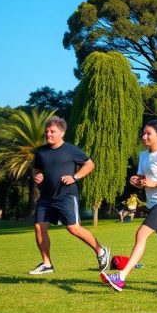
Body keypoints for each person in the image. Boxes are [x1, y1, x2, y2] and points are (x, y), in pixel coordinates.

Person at [100, 120, 157, 291]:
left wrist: (154, 184)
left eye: (149, 133)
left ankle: (121, 276)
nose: (144, 136)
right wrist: (136, 181)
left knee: (141, 234)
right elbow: (143, 179)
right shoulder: (143, 155)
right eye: (143, 133)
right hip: (153, 203)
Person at [27, 117, 110, 276]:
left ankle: (101, 251)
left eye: (53, 131)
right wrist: (37, 176)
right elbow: (36, 169)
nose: (48, 134)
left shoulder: (71, 150)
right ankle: (47, 264)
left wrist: (75, 177)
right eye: (47, 131)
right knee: (39, 227)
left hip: (66, 195)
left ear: (62, 133)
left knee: (73, 228)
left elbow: (90, 164)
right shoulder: (40, 152)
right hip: (45, 197)